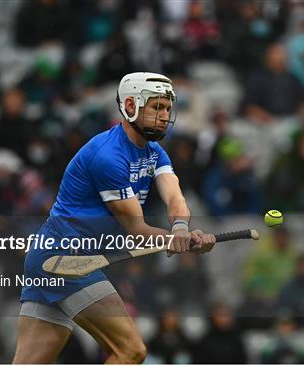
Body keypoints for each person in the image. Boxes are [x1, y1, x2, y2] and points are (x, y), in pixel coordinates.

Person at [13, 72, 216, 363]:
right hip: (67, 259)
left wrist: (183, 227)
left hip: (50, 259)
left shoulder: (155, 152)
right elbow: (135, 228)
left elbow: (175, 197)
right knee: (131, 350)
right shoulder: (107, 156)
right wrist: (176, 239)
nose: (164, 115)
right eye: (156, 107)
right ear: (130, 106)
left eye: (168, 108)